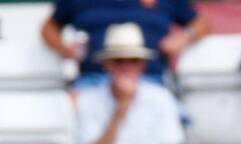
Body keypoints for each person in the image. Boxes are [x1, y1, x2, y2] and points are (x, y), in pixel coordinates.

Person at [42, 0, 209, 90]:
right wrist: (66, 49)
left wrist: (185, 36)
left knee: (164, 116)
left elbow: (201, 23)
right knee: (69, 109)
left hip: (149, 81)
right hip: (94, 81)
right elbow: (49, 28)